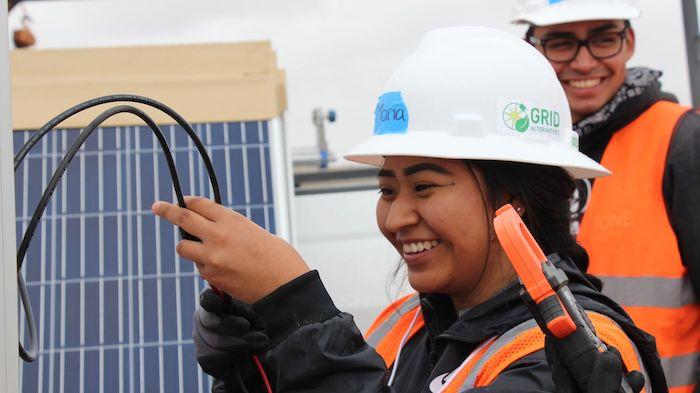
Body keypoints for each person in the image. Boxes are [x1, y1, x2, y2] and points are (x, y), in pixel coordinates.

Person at [152, 27, 666, 392]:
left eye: (424, 186)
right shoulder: (406, 327)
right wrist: (253, 360)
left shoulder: (572, 359)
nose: (396, 219)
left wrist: (296, 314)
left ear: (515, 200)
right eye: (388, 189)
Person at [511, 1, 700, 392]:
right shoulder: (518, 156)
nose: (583, 63)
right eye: (562, 43)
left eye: (603, 39)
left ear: (628, 42)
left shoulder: (682, 141)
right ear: (533, 49)